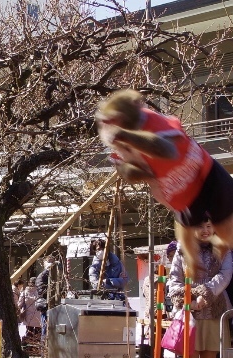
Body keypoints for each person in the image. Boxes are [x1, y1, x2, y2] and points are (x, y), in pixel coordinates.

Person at [96, 89, 233, 278]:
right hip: (183, 190)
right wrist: (126, 166)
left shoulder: (153, 123)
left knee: (226, 227)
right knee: (185, 234)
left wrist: (128, 137)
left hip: (203, 171)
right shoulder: (120, 148)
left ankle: (222, 245)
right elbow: (135, 174)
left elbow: (168, 151)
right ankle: (194, 267)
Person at [167, 219, 232, 358]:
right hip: (189, 310)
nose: (205, 231)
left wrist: (207, 293)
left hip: (214, 309)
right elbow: (174, 279)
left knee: (210, 357)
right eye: (201, 226)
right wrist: (190, 299)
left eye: (209, 226)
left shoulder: (224, 247)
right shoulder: (181, 248)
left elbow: (225, 273)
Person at [17, 277, 41, 353]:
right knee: (37, 332)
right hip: (38, 315)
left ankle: (28, 349)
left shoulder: (24, 292)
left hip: (28, 315)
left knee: (28, 331)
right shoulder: (39, 292)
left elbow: (19, 304)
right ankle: (36, 349)